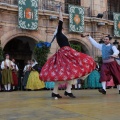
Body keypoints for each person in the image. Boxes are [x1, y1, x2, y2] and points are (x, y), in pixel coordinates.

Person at [40, 6, 96, 98]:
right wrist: (60, 11)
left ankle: (65, 91)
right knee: (67, 71)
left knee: (70, 71)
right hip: (65, 53)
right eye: (61, 28)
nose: (63, 28)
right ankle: (60, 91)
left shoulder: (60, 35)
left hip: (67, 53)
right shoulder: (59, 33)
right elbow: (61, 20)